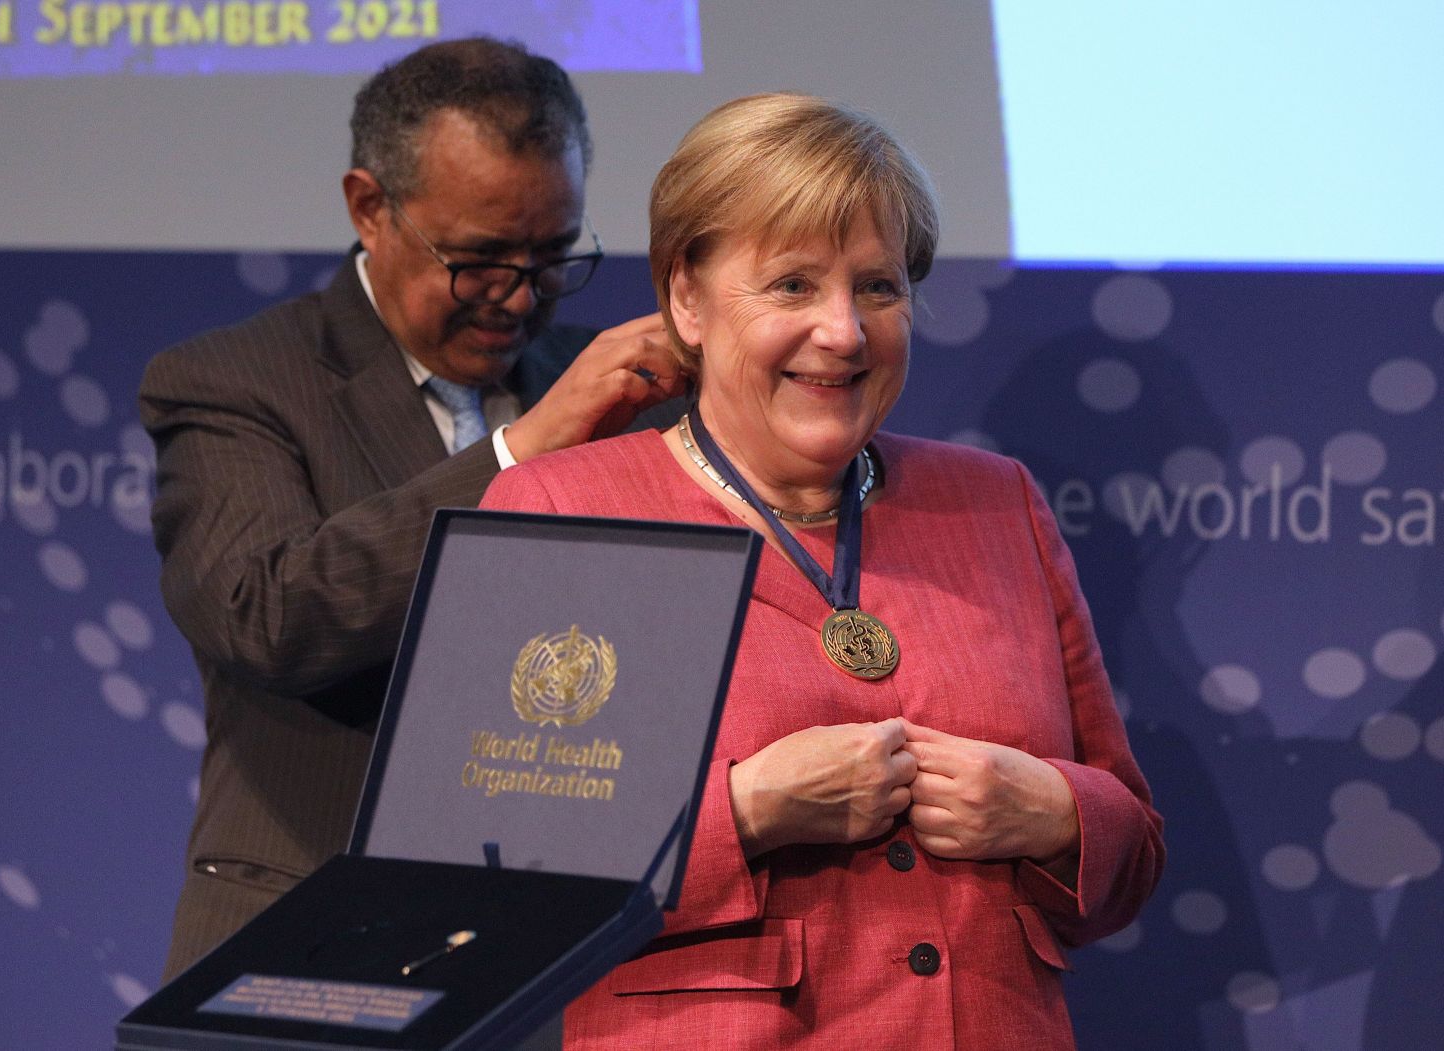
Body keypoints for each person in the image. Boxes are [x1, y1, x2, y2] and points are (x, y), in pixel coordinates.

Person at [481, 93, 1164, 1049]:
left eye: (877, 287)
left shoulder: (996, 502)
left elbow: (1131, 852)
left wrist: (1054, 811)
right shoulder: (567, 514)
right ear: (688, 297)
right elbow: (495, 881)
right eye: (793, 285)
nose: (844, 331)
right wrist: (747, 811)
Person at [140, 37, 683, 981]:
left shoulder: (618, 395)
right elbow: (267, 612)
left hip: (559, 953)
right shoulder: (234, 381)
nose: (517, 296)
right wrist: (521, 453)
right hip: (306, 942)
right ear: (368, 207)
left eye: (554, 254)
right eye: (477, 259)